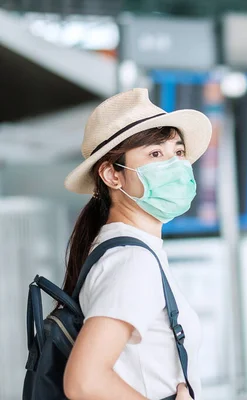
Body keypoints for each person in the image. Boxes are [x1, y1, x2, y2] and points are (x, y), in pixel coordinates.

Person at [61, 88, 212, 400]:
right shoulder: (132, 260)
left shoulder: (128, 250)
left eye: (178, 152)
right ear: (112, 175)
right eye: (156, 154)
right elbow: (84, 382)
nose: (177, 165)